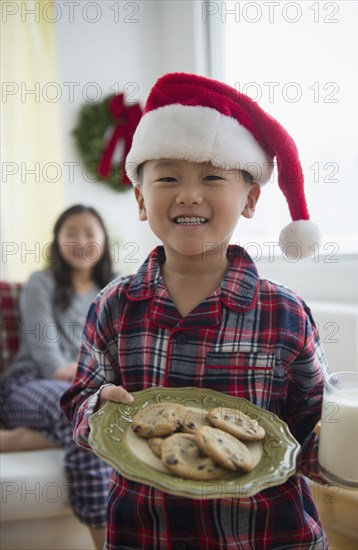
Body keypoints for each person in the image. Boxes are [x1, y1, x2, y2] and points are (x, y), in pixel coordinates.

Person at [61, 74, 329, 549]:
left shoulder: (285, 315)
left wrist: (344, 449)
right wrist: (97, 409)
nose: (188, 194)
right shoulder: (112, 308)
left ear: (249, 198)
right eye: (167, 177)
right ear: (142, 199)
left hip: (269, 535)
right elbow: (78, 401)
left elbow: (311, 432)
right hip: (144, 532)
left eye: (211, 176)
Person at [0, 204, 115, 550]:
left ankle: (15, 439)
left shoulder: (115, 290)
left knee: (96, 416)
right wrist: (97, 386)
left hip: (87, 392)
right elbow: (47, 356)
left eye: (89, 233)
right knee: (90, 416)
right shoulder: (42, 282)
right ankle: (105, 542)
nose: (81, 241)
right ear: (58, 241)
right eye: (71, 233)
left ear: (103, 240)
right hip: (29, 383)